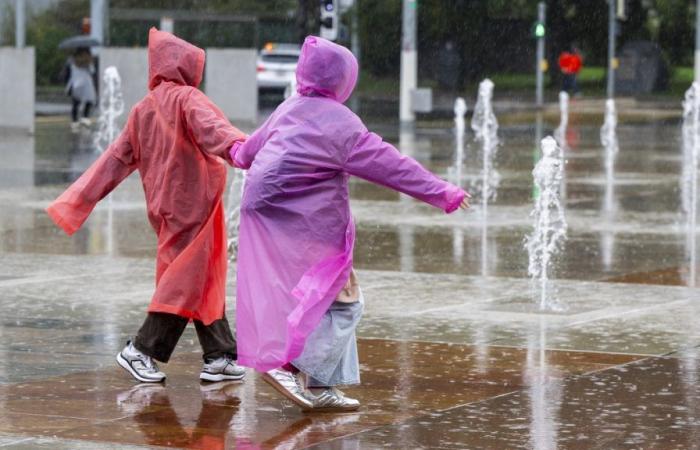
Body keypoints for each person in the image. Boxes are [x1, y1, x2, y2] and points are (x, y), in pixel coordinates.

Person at [230, 36, 470, 412]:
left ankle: (323, 385)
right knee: (345, 301)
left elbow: (245, 153)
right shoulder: (342, 125)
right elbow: (392, 166)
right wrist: (443, 192)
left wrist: (230, 148)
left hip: (264, 212)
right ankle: (287, 365)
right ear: (343, 80)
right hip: (303, 224)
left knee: (321, 297)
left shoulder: (288, 108)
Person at [46, 28, 247, 384]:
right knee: (184, 281)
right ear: (187, 67)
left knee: (201, 279)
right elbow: (215, 132)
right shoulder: (189, 99)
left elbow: (113, 161)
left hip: (166, 208)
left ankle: (220, 354)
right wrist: (244, 150)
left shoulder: (143, 109)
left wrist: (76, 200)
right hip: (194, 207)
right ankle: (141, 349)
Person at [62, 47, 97, 132]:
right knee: (89, 101)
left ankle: (74, 122)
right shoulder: (88, 62)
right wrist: (90, 62)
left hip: (76, 83)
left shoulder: (73, 61)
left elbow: (70, 72)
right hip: (86, 84)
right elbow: (92, 71)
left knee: (76, 103)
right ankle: (85, 118)